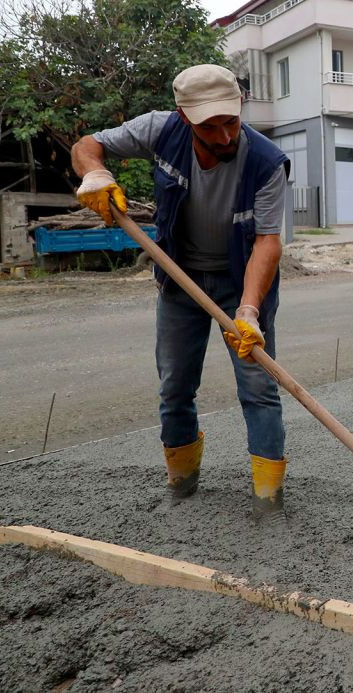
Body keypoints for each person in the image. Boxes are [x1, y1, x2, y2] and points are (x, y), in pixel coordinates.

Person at [70, 64, 291, 521]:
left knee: (258, 388)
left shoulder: (267, 161)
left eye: (230, 121)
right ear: (184, 115)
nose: (225, 136)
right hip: (179, 279)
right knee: (174, 387)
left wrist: (249, 310)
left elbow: (267, 241)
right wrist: (94, 174)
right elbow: (87, 145)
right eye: (210, 126)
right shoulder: (160, 129)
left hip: (239, 284)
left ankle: (268, 498)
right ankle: (182, 483)